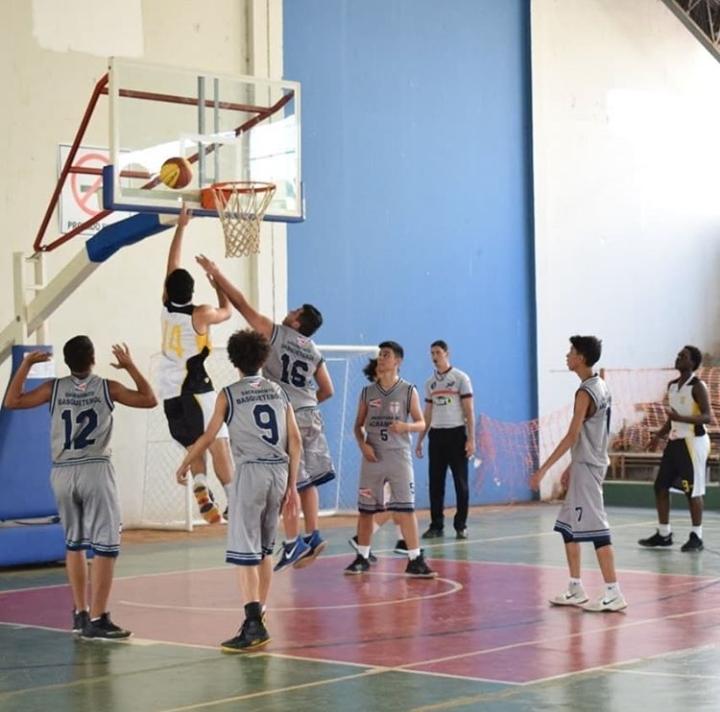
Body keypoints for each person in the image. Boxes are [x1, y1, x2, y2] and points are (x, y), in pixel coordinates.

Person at [4, 337, 157, 638]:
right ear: (93, 358)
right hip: (95, 468)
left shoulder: (53, 388)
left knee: (74, 544)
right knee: (106, 546)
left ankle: (80, 612)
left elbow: (12, 401)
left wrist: (25, 365)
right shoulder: (107, 387)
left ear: (66, 360)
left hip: (62, 471)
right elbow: (148, 398)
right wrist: (130, 366)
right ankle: (98, 618)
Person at [195, 255, 334, 570]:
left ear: (297, 322)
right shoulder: (314, 350)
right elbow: (328, 389)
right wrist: (307, 403)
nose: (290, 311)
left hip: (288, 413)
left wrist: (217, 274)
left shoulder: (277, 333)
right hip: (311, 412)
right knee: (308, 480)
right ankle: (313, 535)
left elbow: (241, 304)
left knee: (290, 483)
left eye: (295, 311)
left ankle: (293, 542)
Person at [176, 329, 301, 651]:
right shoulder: (278, 391)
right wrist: (293, 486)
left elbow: (209, 437)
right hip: (279, 472)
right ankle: (260, 614)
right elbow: (296, 440)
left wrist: (187, 462)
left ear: (234, 360)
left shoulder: (228, 394)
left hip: (251, 473)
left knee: (245, 552)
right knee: (264, 550)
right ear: (263, 358)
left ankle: (253, 624)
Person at [530, 335, 626, 612]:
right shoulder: (600, 385)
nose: (567, 355)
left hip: (589, 466)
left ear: (581, 358)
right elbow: (590, 433)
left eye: (571, 351)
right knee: (568, 527)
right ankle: (575, 587)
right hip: (585, 463)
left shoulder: (586, 392)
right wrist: (572, 465)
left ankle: (613, 592)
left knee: (598, 530)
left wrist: (543, 469)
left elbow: (572, 435)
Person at [159, 206, 234, 523]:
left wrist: (180, 227)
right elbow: (227, 311)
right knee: (219, 442)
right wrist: (217, 282)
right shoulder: (200, 314)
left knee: (194, 444)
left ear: (169, 290)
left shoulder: (166, 307)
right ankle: (234, 499)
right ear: (192, 291)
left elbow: (171, 267)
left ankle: (201, 483)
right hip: (196, 389)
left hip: (169, 392)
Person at [345, 341, 436, 577]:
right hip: (373, 457)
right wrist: (362, 444)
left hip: (399, 456)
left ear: (398, 361)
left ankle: (415, 559)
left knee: (406, 509)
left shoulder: (408, 390)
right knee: (366, 510)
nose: (381, 358)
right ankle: (362, 557)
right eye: (380, 355)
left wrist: (406, 426)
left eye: (386, 355)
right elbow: (357, 426)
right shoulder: (367, 392)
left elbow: (422, 423)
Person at [638, 345, 711, 552]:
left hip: (693, 442)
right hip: (675, 441)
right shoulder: (672, 386)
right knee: (660, 486)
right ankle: (664, 534)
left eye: (683, 356)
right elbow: (673, 419)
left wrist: (681, 418)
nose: (678, 357)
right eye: (678, 355)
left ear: (693, 362)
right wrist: (658, 436)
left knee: (692, 491)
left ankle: (697, 536)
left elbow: (707, 417)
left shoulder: (698, 386)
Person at [348, 357, 407, 561]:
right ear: (375, 376)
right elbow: (359, 426)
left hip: (393, 455)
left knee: (397, 503)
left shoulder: (398, 393)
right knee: (392, 505)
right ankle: (362, 540)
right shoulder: (371, 397)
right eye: (379, 371)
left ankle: (403, 541)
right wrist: (364, 444)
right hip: (378, 458)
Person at [415, 340, 475, 540]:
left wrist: (471, 439)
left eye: (438, 352)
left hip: (456, 434)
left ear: (447, 353)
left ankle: (461, 525)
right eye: (432, 353)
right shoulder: (429, 383)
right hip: (436, 436)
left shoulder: (460, 378)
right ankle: (436, 525)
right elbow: (428, 413)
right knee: (435, 483)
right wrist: (420, 439)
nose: (434, 356)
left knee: (460, 483)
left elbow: (469, 410)